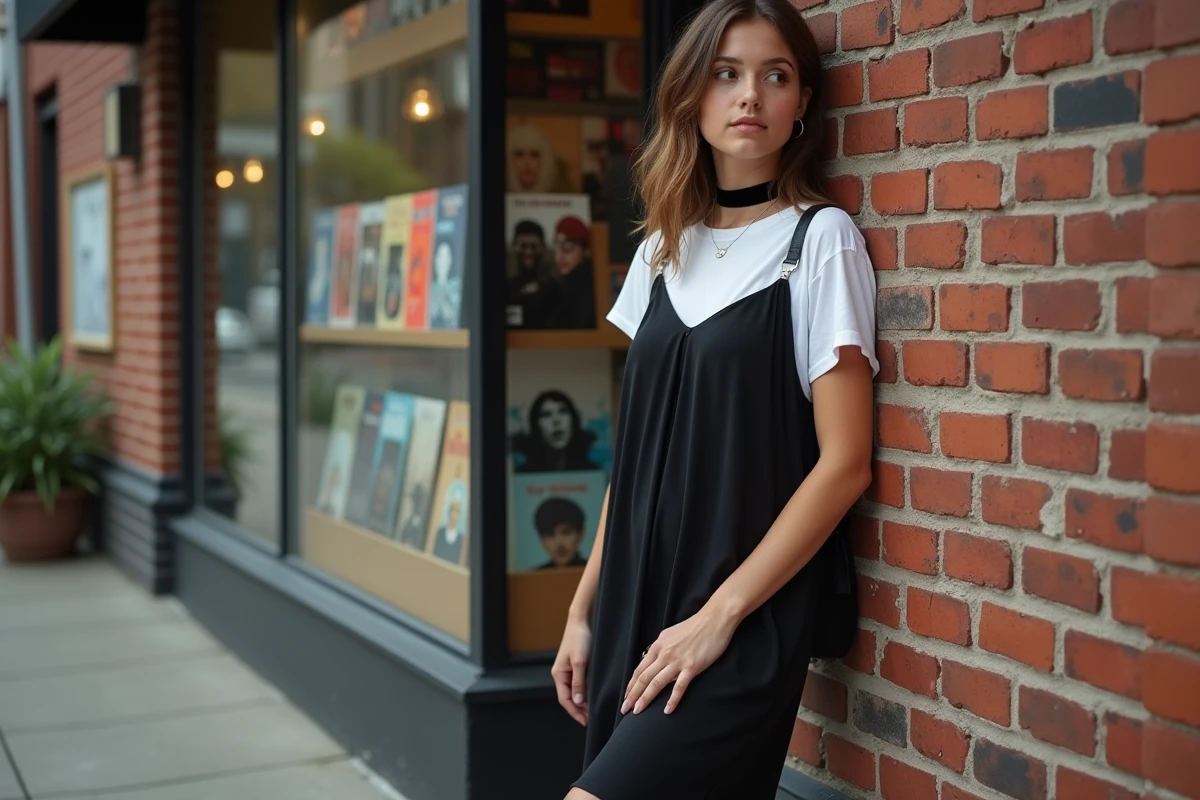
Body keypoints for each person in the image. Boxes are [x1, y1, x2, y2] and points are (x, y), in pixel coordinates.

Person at [551, 2, 878, 798]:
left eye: (776, 76)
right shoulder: (662, 248)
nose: (750, 97)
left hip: (738, 617)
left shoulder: (819, 241)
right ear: (691, 97)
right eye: (726, 75)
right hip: (635, 601)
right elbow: (634, 458)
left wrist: (718, 618)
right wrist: (582, 607)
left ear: (802, 104)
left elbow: (844, 465)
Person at [511, 390, 600, 473]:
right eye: (546, 414)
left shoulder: (593, 471)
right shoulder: (524, 473)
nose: (556, 421)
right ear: (535, 425)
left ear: (574, 419)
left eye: (563, 411)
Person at [542, 216, 597, 329]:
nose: (559, 256)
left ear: (585, 250)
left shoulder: (588, 286)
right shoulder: (557, 284)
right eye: (556, 246)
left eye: (568, 247)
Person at [507, 219, 551, 328]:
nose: (528, 252)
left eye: (534, 246)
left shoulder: (555, 288)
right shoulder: (505, 287)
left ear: (543, 248)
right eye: (523, 246)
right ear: (514, 247)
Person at [534, 497, 589, 570]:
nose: (559, 543)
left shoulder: (597, 572)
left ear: (581, 534)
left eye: (566, 533)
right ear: (542, 541)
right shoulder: (535, 577)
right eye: (550, 535)